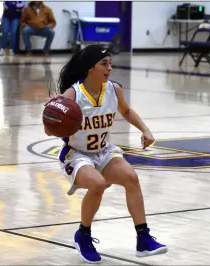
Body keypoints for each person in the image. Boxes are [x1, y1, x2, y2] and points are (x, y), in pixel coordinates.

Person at [44, 45, 167, 263]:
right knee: (98, 184)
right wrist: (53, 119)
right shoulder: (73, 93)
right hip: (77, 154)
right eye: (104, 64)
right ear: (90, 68)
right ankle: (83, 235)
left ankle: (143, 239)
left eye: (110, 63)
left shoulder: (114, 89)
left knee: (132, 178)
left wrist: (145, 130)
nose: (109, 68)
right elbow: (49, 128)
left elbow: (126, 111)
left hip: (103, 150)